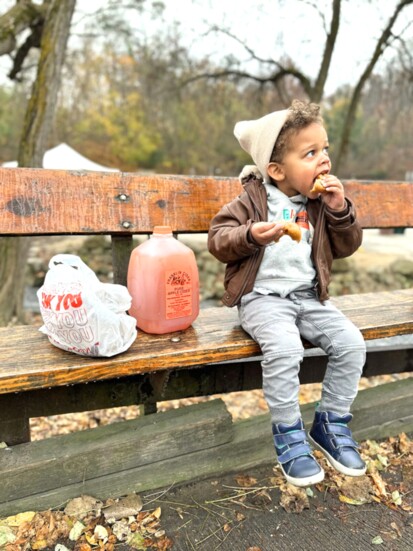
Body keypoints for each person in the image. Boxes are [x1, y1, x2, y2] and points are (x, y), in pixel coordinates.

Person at [208, 100, 367, 487]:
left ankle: (330, 423)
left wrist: (340, 209)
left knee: (352, 343)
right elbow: (217, 240)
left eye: (325, 149)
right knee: (286, 349)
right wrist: (249, 235)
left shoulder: (319, 203)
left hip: (309, 298)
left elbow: (347, 246)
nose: (324, 159)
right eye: (310, 153)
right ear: (276, 169)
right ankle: (288, 432)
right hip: (262, 299)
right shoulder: (251, 200)